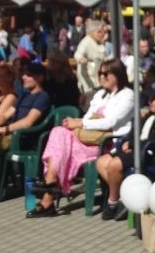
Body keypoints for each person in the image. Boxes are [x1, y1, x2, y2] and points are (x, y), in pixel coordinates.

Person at [28, 58, 134, 217]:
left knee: (61, 147)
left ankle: (48, 193)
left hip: (107, 142)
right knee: (59, 132)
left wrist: (80, 123)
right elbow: (89, 117)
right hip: (89, 139)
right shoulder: (100, 94)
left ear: (117, 75)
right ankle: (50, 188)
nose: (102, 77)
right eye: (100, 73)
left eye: (106, 74)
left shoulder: (127, 95)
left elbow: (111, 122)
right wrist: (81, 122)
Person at [95, 88, 155, 220]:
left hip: (149, 154)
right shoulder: (148, 116)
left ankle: (112, 203)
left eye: (153, 99)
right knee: (101, 161)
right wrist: (128, 142)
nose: (149, 102)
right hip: (135, 150)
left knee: (114, 165)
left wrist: (132, 145)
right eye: (149, 99)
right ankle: (125, 197)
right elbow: (133, 133)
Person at [0, 61, 51, 195]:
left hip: (23, 137)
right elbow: (7, 114)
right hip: (10, 133)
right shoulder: (24, 96)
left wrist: (2, 129)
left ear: (39, 77)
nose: (23, 77)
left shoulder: (42, 97)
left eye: (28, 75)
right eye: (24, 74)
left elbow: (28, 122)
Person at [73, 20, 109, 95]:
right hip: (89, 84)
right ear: (91, 32)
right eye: (99, 32)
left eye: (103, 31)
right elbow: (77, 54)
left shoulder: (99, 43)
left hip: (98, 81)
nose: (102, 34)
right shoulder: (86, 41)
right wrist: (81, 59)